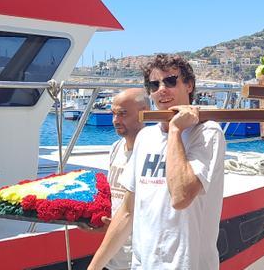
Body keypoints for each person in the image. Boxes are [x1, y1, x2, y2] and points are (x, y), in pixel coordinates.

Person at [87, 54, 226, 270]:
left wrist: (175, 129)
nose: (161, 89)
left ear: (189, 85)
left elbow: (181, 197)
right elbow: (127, 212)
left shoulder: (207, 133)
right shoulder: (145, 137)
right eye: (154, 84)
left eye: (170, 81)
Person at [100, 89, 150, 270]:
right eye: (113, 113)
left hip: (138, 260)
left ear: (144, 112)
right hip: (113, 257)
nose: (115, 120)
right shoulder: (115, 148)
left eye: (122, 114)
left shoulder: (153, 153)